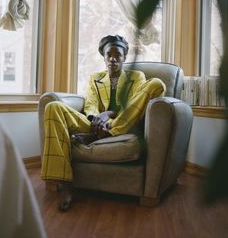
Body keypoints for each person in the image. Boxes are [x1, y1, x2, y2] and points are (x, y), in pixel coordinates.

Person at [40, 35, 166, 211]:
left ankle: (102, 135)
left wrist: (109, 114)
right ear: (104, 57)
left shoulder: (137, 76)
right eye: (109, 55)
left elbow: (133, 106)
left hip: (124, 124)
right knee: (53, 107)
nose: (113, 59)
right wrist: (96, 119)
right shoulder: (95, 78)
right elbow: (90, 104)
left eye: (118, 55)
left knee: (157, 84)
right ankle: (66, 184)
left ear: (124, 57)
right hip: (96, 124)